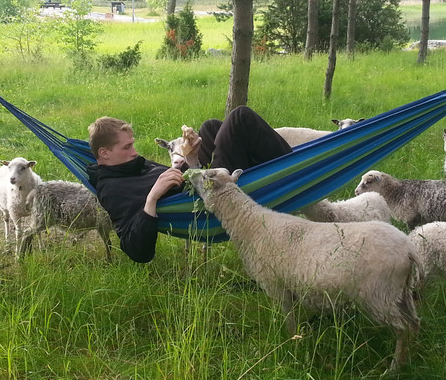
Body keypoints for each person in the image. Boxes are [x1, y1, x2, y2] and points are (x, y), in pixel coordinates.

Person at [86, 106, 292, 263]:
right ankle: (291, 169)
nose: (134, 152)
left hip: (201, 184)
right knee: (240, 117)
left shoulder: (128, 165)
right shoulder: (112, 189)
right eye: (127, 147)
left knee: (210, 127)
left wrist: (192, 159)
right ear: (105, 153)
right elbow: (136, 251)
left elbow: (180, 178)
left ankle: (287, 167)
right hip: (209, 199)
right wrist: (152, 198)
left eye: (132, 145)